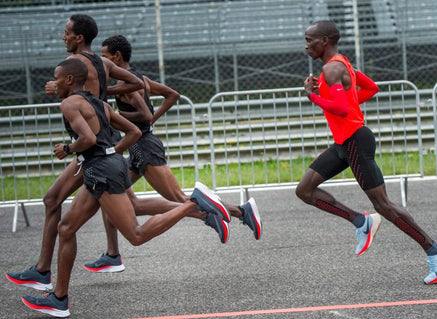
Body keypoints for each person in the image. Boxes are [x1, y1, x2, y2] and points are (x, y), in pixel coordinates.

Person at [4, 14, 223, 290]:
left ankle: (202, 207)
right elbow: (135, 83)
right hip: (105, 145)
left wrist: (66, 94)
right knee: (93, 210)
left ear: (79, 37)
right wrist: (104, 97)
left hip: (94, 149)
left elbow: (100, 114)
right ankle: (91, 262)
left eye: (66, 32)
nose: (63, 37)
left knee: (120, 224)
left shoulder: (76, 69)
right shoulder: (103, 62)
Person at [20, 58, 229, 317]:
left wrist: (68, 149)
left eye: (57, 78)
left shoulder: (69, 103)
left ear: (70, 80)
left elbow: (87, 138)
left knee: (136, 235)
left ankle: (194, 203)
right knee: (66, 227)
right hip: (106, 167)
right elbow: (134, 131)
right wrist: (111, 153)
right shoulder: (101, 104)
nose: (54, 84)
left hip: (101, 172)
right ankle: (59, 298)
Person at [81, 34, 262, 272]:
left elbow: (144, 115)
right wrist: (144, 123)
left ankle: (238, 212)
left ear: (116, 57)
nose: (100, 63)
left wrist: (116, 119)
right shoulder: (139, 79)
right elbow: (173, 95)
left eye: (104, 57)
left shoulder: (126, 87)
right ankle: (113, 253)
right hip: (139, 147)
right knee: (118, 199)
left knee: (178, 199)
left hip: (144, 148)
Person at [296, 20, 437, 284]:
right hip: (344, 144)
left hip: (355, 141)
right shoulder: (343, 64)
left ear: (324, 40)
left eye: (309, 39)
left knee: (383, 204)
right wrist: (340, 100)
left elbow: (342, 110)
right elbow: (371, 89)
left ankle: (436, 251)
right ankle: (361, 222)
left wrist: (313, 96)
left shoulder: (332, 68)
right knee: (305, 191)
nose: (306, 45)